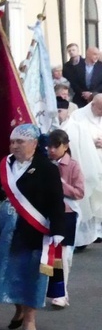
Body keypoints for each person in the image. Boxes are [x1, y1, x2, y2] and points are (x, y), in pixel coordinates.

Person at [0, 124, 65, 330]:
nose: (14, 146)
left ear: (34, 144)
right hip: (1, 229)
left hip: (31, 229)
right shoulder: (3, 166)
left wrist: (58, 229)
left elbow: (56, 200)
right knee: (9, 271)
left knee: (30, 272)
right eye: (12, 142)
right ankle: (18, 308)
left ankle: (30, 319)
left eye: (20, 142)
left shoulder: (47, 168)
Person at [46, 128, 84, 308]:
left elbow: (79, 192)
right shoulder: (44, 164)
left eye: (56, 146)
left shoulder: (73, 166)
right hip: (46, 213)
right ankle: (43, 290)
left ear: (66, 146)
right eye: (49, 146)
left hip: (67, 212)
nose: (52, 150)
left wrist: (61, 185)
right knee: (46, 253)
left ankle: (62, 293)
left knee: (64, 254)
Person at [67, 94, 102, 245]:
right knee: (88, 197)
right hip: (86, 161)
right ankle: (85, 236)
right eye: (100, 108)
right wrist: (89, 142)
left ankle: (99, 230)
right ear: (92, 104)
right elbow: (71, 136)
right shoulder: (77, 116)